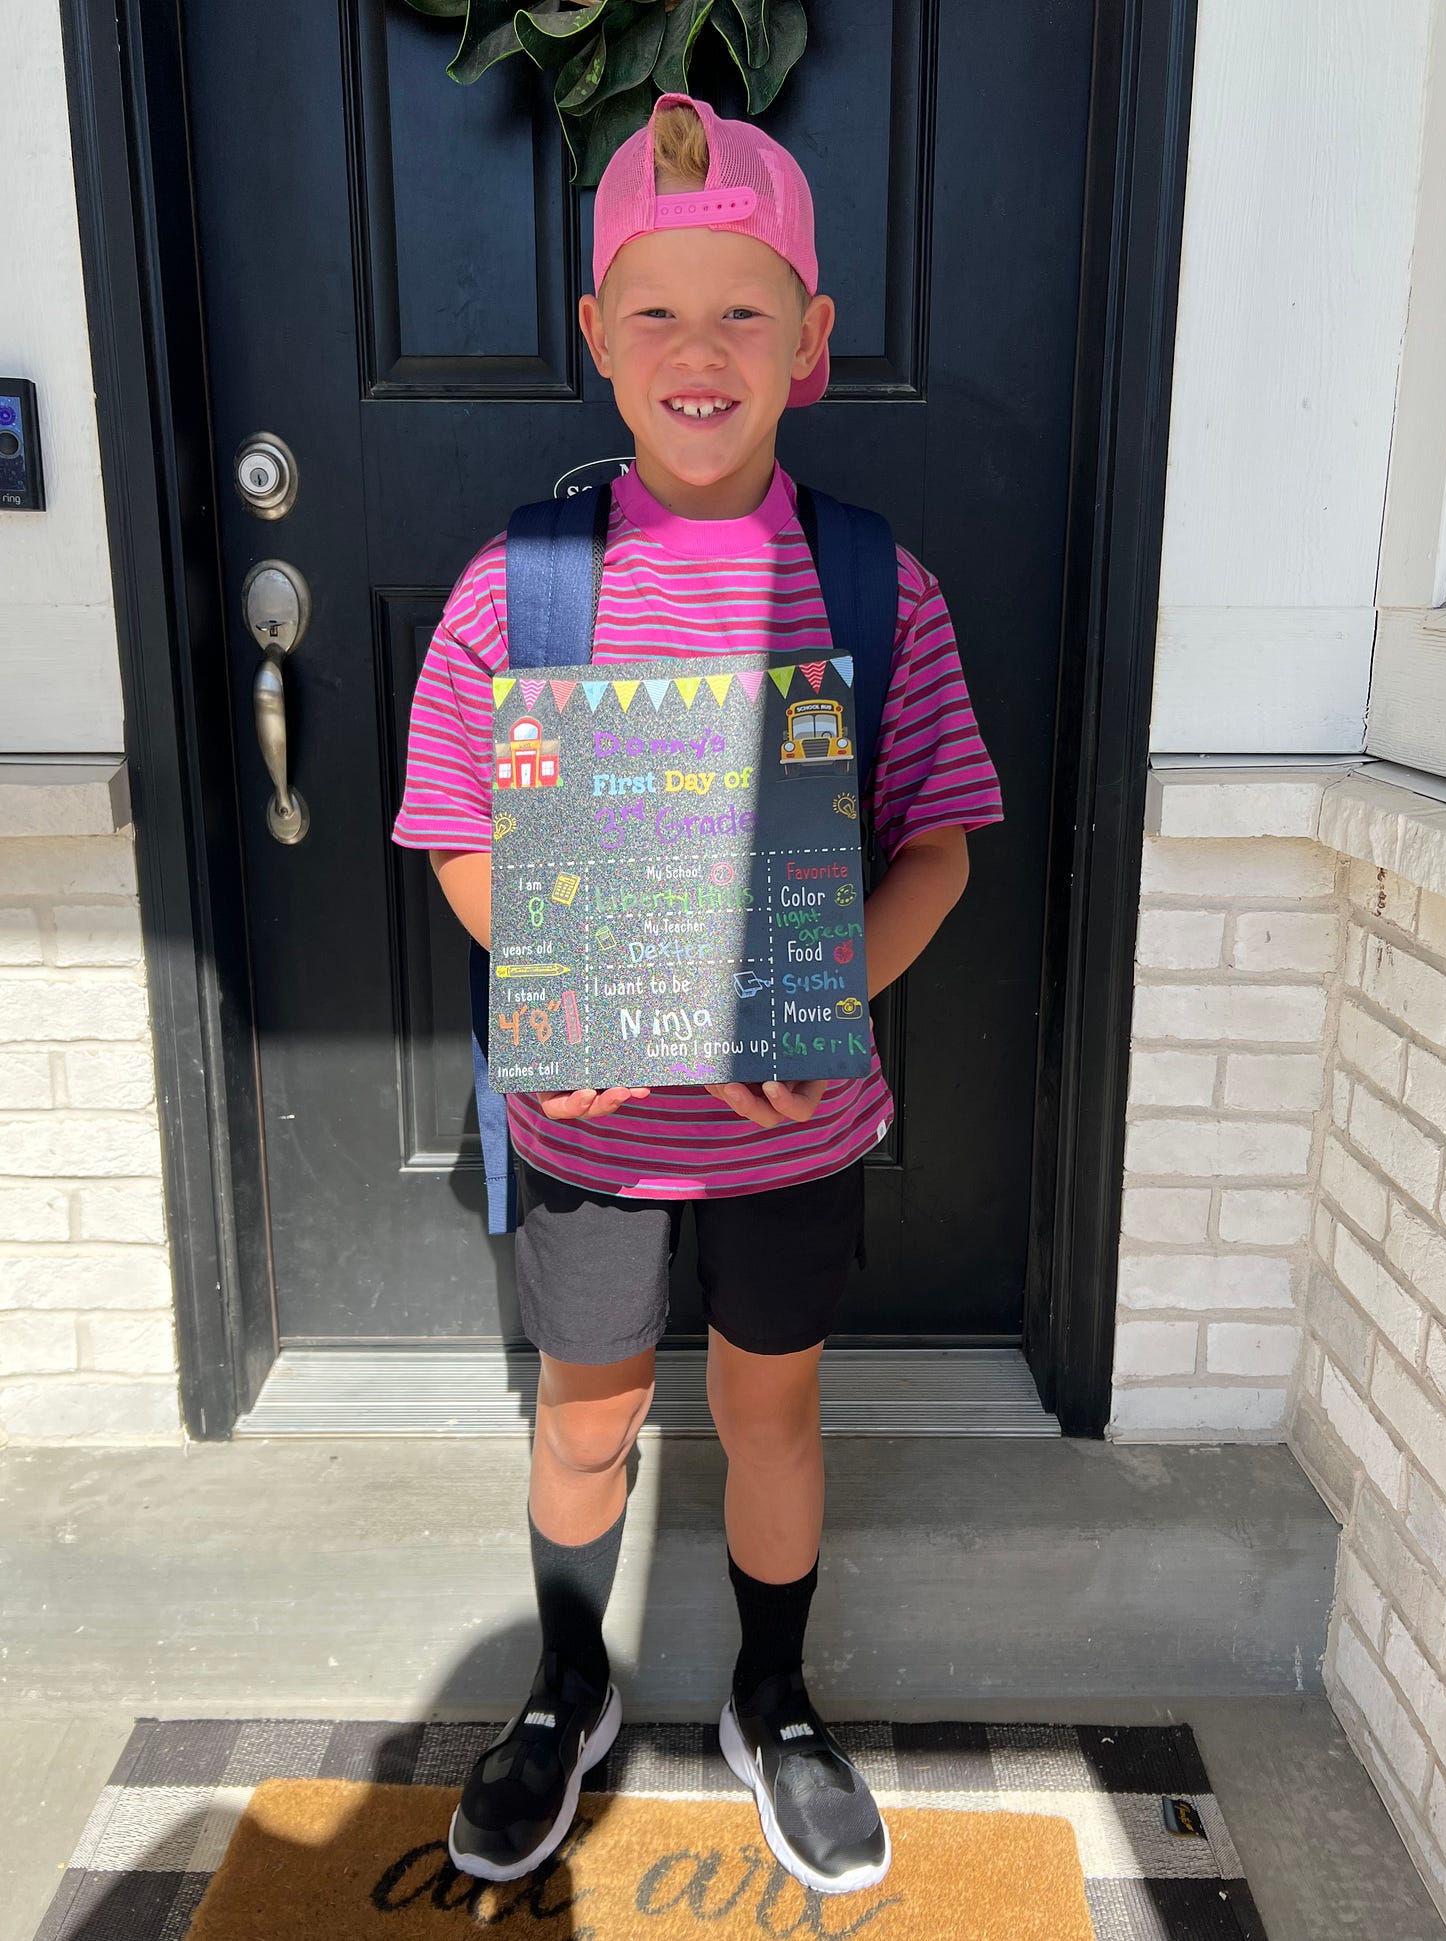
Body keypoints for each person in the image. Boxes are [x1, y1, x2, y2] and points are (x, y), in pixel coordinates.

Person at [391, 91, 1004, 1896]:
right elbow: (454, 829)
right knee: (584, 1413)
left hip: (790, 1127)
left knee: (771, 1411)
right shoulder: (525, 588)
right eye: (655, 311)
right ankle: (566, 1686)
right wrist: (565, 987)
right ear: (597, 336)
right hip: (591, 1129)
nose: (698, 350)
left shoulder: (876, 587)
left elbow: (939, 847)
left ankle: (773, 1696)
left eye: (744, 311)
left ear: (813, 341)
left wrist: (809, 997)